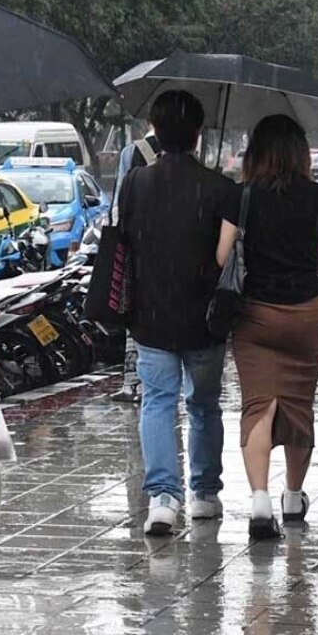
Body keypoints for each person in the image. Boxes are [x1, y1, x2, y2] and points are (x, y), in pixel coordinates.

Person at [120, 91, 238, 535]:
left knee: (157, 403)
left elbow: (128, 240)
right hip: (204, 317)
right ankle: (205, 493)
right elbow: (224, 258)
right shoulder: (220, 188)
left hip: (151, 314)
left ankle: (163, 499)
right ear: (198, 134)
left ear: (155, 127)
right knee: (204, 404)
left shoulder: (136, 183)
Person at [215, 114, 318, 539]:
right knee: (299, 406)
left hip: (255, 316)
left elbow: (221, 257)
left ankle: (260, 501)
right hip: (305, 314)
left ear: (256, 153)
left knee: (259, 405)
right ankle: (293, 496)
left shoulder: (242, 196)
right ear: (300, 153)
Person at [110, 129, 161, 404]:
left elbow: (118, 205)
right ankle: (157, 380)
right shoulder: (186, 153)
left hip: (137, 250)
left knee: (133, 316)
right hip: (172, 252)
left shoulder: (132, 152)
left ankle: (134, 381)